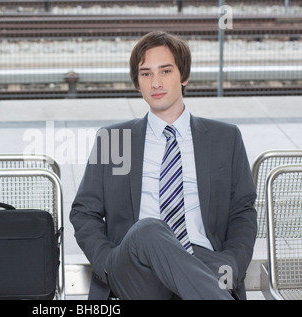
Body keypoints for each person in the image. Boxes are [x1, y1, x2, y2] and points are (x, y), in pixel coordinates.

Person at [69, 31, 257, 300]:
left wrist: (232, 264)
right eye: (146, 74)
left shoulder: (224, 138)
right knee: (149, 229)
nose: (155, 82)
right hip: (133, 267)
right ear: (138, 83)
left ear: (184, 76)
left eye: (165, 71)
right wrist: (107, 263)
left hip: (203, 261)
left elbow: (243, 212)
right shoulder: (115, 141)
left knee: (202, 276)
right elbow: (84, 212)